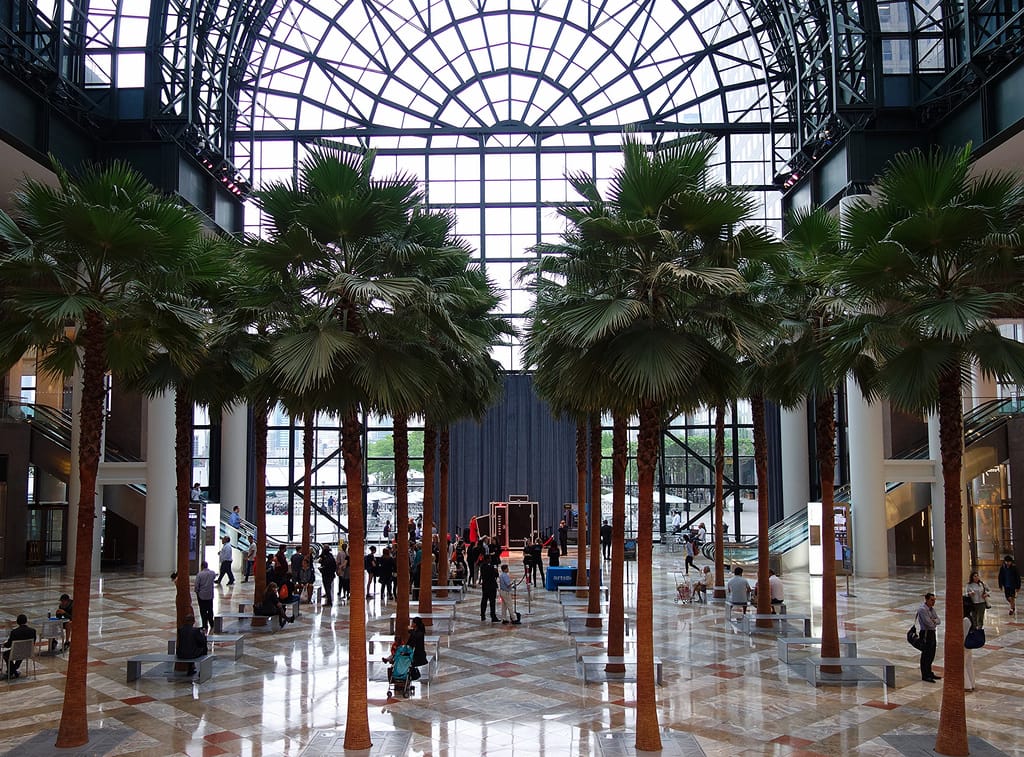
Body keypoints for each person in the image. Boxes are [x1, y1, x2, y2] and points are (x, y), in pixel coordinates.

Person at [916, 592, 941, 682]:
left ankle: (929, 672)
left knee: (931, 653)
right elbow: (928, 623)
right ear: (926, 599)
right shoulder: (922, 610)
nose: (933, 602)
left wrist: (934, 621)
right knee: (926, 654)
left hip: (932, 633)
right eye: (931, 600)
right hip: (925, 634)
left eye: (934, 600)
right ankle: (925, 674)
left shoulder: (931, 609)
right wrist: (933, 621)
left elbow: (939, 620)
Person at [194, 562, 216, 633]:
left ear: (202, 566)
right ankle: (212, 623)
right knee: (210, 609)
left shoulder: (199, 574)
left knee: (203, 611)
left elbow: (197, 585)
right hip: (210, 595)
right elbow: (214, 578)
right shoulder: (212, 573)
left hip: (202, 595)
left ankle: (204, 625)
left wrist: (196, 591)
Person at [480, 556, 500, 622]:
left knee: (484, 601)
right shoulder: (491, 567)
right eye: (489, 559)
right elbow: (496, 575)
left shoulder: (482, 566)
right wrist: (496, 571)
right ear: (487, 559)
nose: (490, 560)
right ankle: (493, 616)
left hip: (485, 586)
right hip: (491, 586)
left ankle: (483, 615)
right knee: (492, 602)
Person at [963, 597, 976, 693]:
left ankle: (966, 685)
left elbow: (963, 634)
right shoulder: (971, 618)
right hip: (969, 645)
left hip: (964, 645)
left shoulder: (965, 620)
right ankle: (972, 683)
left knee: (962, 665)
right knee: (969, 665)